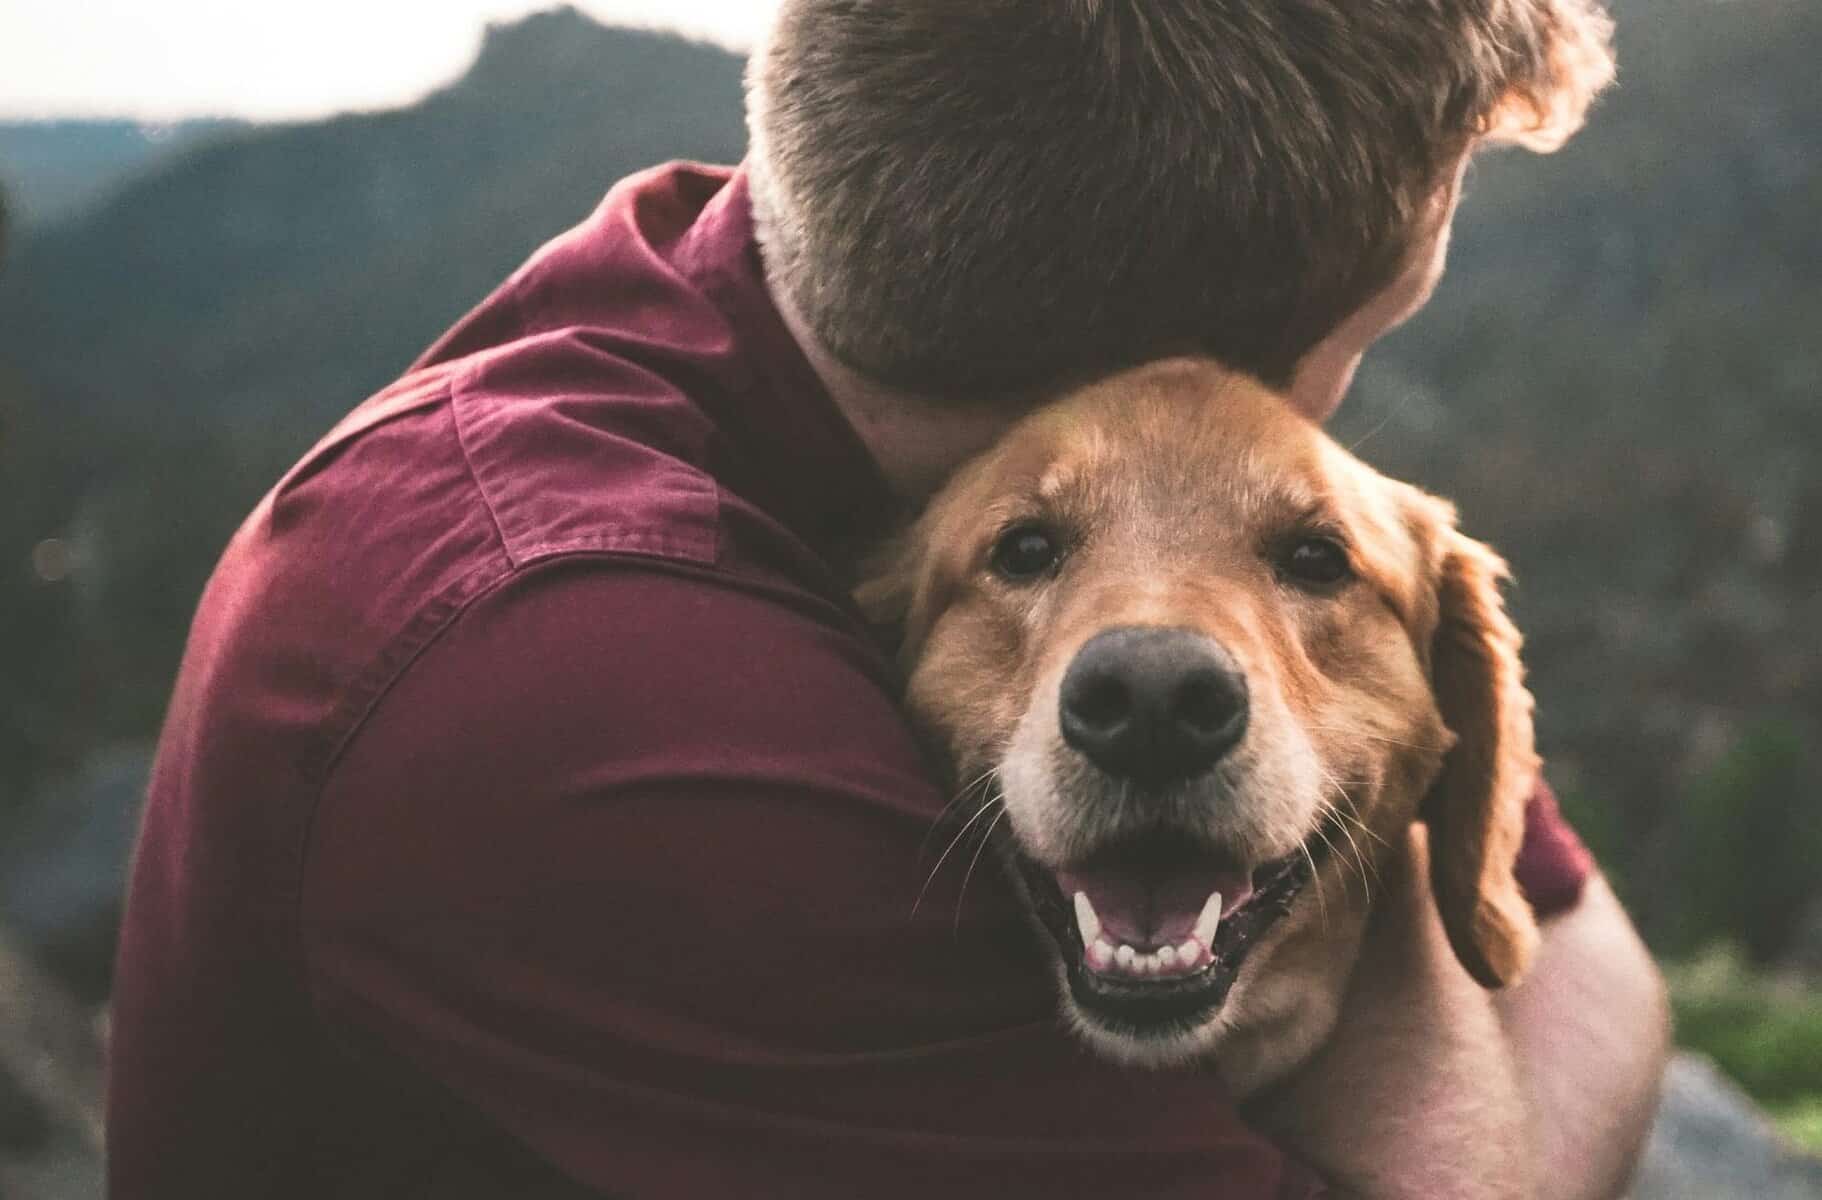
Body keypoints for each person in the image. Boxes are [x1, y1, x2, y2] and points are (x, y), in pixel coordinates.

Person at [108, 1, 1667, 1196]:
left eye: (1304, 552)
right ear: (1185, 365)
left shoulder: (818, 286)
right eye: (1380, 318)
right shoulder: (582, 681)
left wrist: (1381, 834)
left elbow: (1578, 943)